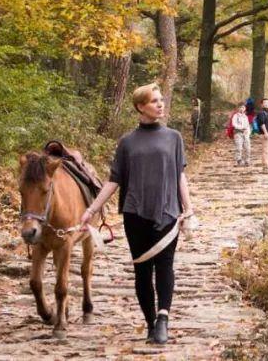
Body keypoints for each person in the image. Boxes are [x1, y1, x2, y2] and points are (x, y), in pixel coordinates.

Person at [79, 83, 193, 345]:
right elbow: (114, 180)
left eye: (161, 99)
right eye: (154, 101)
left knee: (165, 265)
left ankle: (163, 318)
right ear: (140, 107)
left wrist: (189, 208)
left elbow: (180, 176)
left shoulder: (174, 137)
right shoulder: (127, 142)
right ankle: (150, 324)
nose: (160, 104)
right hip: (135, 213)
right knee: (142, 270)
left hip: (167, 211)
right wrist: (91, 209)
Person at [255, 99, 268, 171]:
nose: (266, 104)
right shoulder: (261, 113)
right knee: (266, 150)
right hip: (264, 133)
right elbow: (262, 124)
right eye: (264, 103)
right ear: (262, 104)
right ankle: (265, 165)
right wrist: (265, 133)